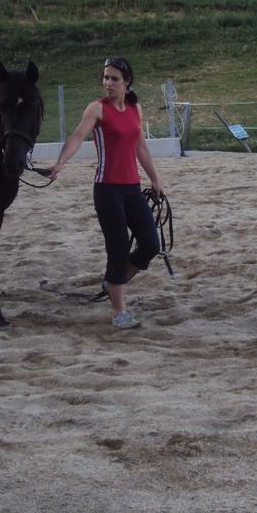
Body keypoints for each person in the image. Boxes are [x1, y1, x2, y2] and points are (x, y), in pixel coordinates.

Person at [48, 57, 163, 330]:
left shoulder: (136, 109)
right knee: (118, 247)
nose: (108, 83)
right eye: (105, 78)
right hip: (107, 190)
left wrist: (155, 179)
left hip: (133, 189)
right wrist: (60, 163)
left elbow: (141, 148)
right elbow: (77, 136)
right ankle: (120, 311)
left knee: (151, 244)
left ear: (127, 82)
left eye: (114, 79)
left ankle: (113, 282)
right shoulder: (97, 109)